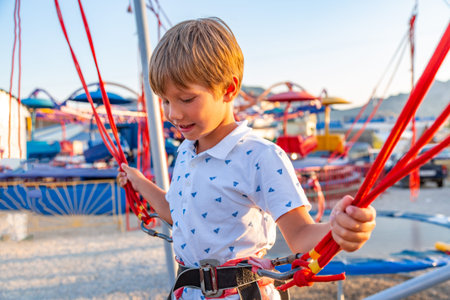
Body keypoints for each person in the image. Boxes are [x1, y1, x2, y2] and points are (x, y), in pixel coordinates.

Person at [118, 17, 376, 300]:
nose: (173, 114)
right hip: (189, 291)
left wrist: (338, 230)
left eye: (186, 99)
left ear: (229, 89)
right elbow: (179, 215)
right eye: (165, 101)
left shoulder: (259, 157)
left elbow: (301, 234)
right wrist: (139, 181)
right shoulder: (186, 151)